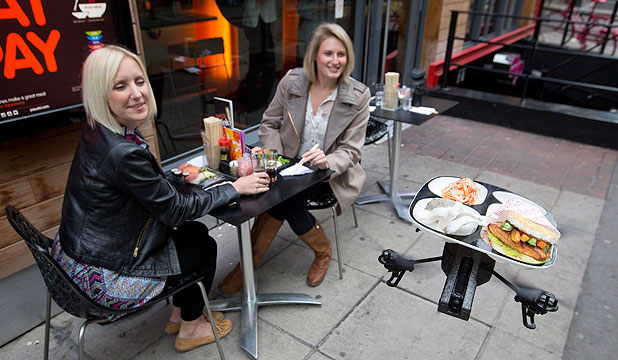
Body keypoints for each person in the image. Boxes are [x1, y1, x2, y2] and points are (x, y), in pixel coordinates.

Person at [53, 45, 271, 353]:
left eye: (139, 81)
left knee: (193, 235)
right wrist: (235, 188)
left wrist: (173, 179)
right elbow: (176, 211)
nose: (137, 93)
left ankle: (180, 314)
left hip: (78, 256)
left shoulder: (100, 131)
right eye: (120, 86)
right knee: (203, 246)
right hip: (101, 278)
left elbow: (139, 189)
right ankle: (191, 329)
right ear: (101, 94)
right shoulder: (122, 151)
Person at [218, 23, 370, 292]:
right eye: (328, 53)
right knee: (283, 197)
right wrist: (276, 157)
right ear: (315, 55)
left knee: (283, 201)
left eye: (341, 54)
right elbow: (269, 123)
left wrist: (328, 161)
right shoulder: (292, 82)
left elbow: (352, 150)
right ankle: (321, 251)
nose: (335, 61)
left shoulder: (358, 96)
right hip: (287, 166)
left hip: (328, 174)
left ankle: (248, 267)